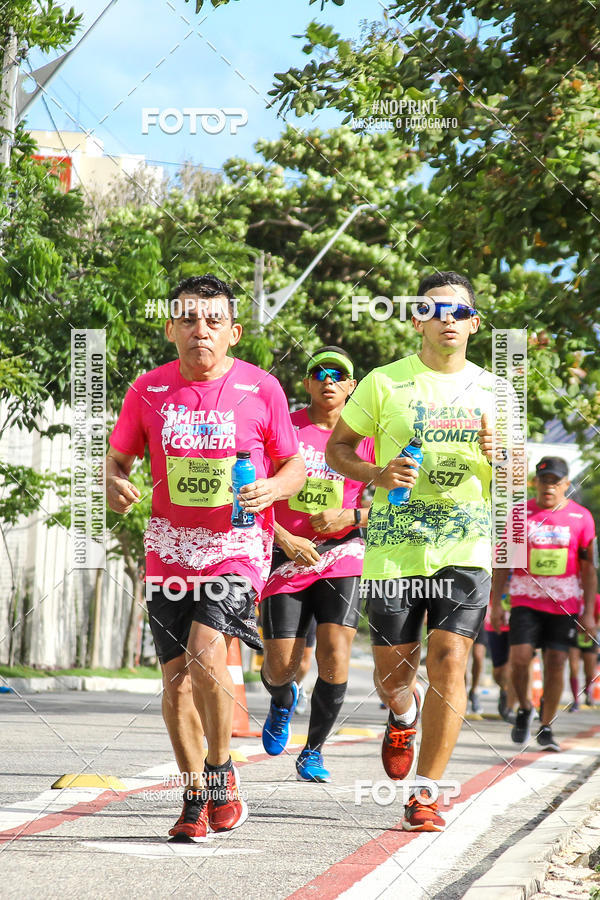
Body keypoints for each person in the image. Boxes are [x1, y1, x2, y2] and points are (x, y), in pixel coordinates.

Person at [106, 274, 305, 842]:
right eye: (190, 319)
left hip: (237, 546)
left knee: (203, 655)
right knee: (175, 683)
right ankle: (195, 795)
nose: (201, 330)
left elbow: (293, 465)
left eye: (214, 320)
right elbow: (116, 461)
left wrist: (274, 489)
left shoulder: (261, 389)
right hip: (169, 546)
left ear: (234, 332)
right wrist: (115, 484)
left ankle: (221, 772)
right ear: (171, 328)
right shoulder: (147, 390)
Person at [327, 271, 506, 832]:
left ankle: (426, 794)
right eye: (434, 309)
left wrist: (501, 458)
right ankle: (403, 715)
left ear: (474, 324)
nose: (447, 319)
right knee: (393, 677)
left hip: (465, 546)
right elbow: (337, 450)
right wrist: (376, 472)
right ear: (416, 319)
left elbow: (516, 480)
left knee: (451, 660)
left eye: (459, 312)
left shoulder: (496, 392)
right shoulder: (383, 382)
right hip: (395, 550)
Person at [260, 347, 374, 782]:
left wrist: (353, 516)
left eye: (338, 375)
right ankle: (282, 697)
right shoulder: (285, 428)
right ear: (306, 383)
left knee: (334, 655)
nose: (328, 380)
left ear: (351, 386)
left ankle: (313, 751)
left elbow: (398, 501)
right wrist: (284, 538)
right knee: (280, 666)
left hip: (341, 552)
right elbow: (250, 488)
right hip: (283, 551)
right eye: (318, 373)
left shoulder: (368, 435)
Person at [492, 457, 597, 750]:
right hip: (525, 599)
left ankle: (546, 725)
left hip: (565, 604)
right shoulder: (518, 515)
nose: (548, 486)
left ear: (566, 485)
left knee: (557, 663)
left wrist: (589, 613)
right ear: (535, 483)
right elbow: (502, 563)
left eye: (555, 481)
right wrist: (496, 604)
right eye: (544, 480)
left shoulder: (582, 518)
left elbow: (589, 570)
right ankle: (525, 707)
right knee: (521, 658)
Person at [568, 593, 600, 710]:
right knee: (573, 667)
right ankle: (575, 701)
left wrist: (592, 628)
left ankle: (587, 690)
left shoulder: (596, 598)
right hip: (574, 636)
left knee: (590, 671)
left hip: (590, 636)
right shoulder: (573, 596)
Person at [467, 625, 487, 714]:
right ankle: (462, 693)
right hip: (462, 617)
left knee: (478, 656)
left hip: (480, 618)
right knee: (462, 659)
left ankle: (474, 691)